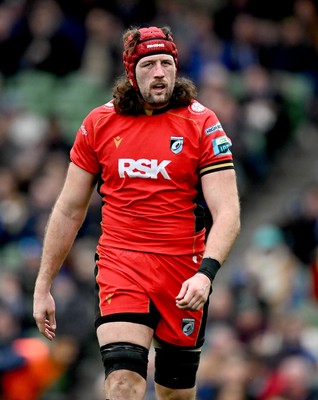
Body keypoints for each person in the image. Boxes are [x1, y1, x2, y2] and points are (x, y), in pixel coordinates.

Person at [33, 25, 241, 400]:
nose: (159, 72)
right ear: (131, 73)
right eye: (148, 64)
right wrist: (43, 284)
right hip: (121, 264)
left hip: (184, 272)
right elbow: (68, 209)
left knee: (174, 393)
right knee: (123, 381)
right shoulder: (99, 123)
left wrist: (206, 276)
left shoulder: (202, 123)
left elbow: (227, 212)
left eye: (166, 62)